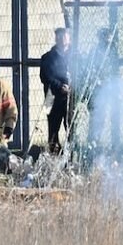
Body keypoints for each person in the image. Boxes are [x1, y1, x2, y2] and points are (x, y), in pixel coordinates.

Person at [38, 28, 72, 160]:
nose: (61, 38)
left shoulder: (75, 57)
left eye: (64, 36)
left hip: (70, 96)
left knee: (71, 128)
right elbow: (45, 77)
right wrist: (59, 86)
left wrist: (72, 86)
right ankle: (53, 156)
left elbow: (80, 73)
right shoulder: (47, 57)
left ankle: (70, 157)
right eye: (58, 36)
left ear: (69, 38)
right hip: (51, 97)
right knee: (52, 128)